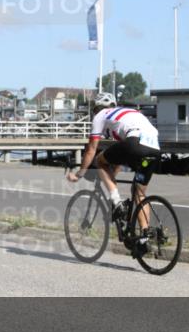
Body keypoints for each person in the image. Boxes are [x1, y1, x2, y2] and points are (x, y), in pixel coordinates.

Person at [66, 92, 161, 253]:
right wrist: (110, 177)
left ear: (96, 108)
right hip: (154, 148)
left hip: (135, 142)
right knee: (140, 193)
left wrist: (79, 174)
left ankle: (117, 203)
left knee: (99, 161)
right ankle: (145, 236)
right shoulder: (126, 114)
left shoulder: (100, 115)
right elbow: (119, 157)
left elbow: (91, 149)